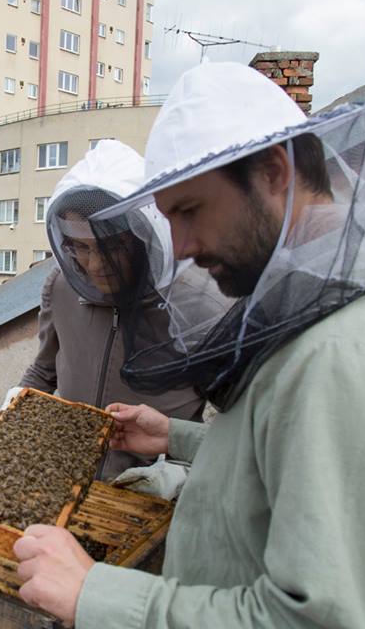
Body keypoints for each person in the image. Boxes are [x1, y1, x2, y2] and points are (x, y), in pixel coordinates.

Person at [13, 62, 365, 628]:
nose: (182, 246)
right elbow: (275, 456)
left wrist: (93, 595)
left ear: (274, 172)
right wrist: (176, 435)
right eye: (169, 218)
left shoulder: (344, 358)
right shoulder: (319, 321)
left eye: (191, 210)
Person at [15, 140, 228, 479]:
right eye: (81, 248)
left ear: (143, 237)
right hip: (64, 485)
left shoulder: (202, 307)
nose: (96, 265)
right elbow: (44, 373)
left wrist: (178, 475)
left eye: (112, 247)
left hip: (154, 506)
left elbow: (245, 434)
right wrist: (8, 418)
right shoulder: (60, 286)